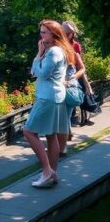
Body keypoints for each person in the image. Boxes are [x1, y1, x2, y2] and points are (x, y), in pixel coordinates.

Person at [23, 20, 75, 188]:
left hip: (47, 97)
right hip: (56, 96)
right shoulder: (61, 50)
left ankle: (47, 170)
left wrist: (38, 55)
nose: (41, 35)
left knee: (28, 131)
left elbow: (41, 73)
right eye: (41, 32)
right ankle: (52, 174)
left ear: (54, 34)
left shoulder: (53, 51)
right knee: (51, 135)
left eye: (44, 32)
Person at [62, 21, 93, 128]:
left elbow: (80, 66)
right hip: (61, 77)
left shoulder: (75, 46)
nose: (66, 35)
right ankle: (68, 126)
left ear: (72, 33)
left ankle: (83, 118)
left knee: (82, 96)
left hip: (74, 76)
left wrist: (87, 84)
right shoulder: (57, 44)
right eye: (64, 32)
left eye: (69, 33)